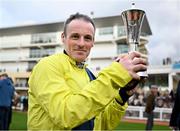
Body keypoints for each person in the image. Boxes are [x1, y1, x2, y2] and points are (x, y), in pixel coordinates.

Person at [27, 13, 147, 130]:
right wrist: (117, 73)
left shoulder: (90, 75)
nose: (81, 43)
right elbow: (65, 115)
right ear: (63, 37)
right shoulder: (47, 66)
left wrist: (123, 96)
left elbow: (101, 125)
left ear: (93, 42)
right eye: (75, 36)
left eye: (87, 38)